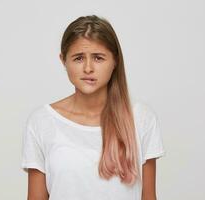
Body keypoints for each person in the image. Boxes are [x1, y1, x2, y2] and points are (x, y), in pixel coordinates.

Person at [21, 15, 166, 200]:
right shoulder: (42, 122)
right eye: (78, 58)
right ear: (63, 60)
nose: (88, 68)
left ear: (115, 61)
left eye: (98, 58)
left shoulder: (141, 119)